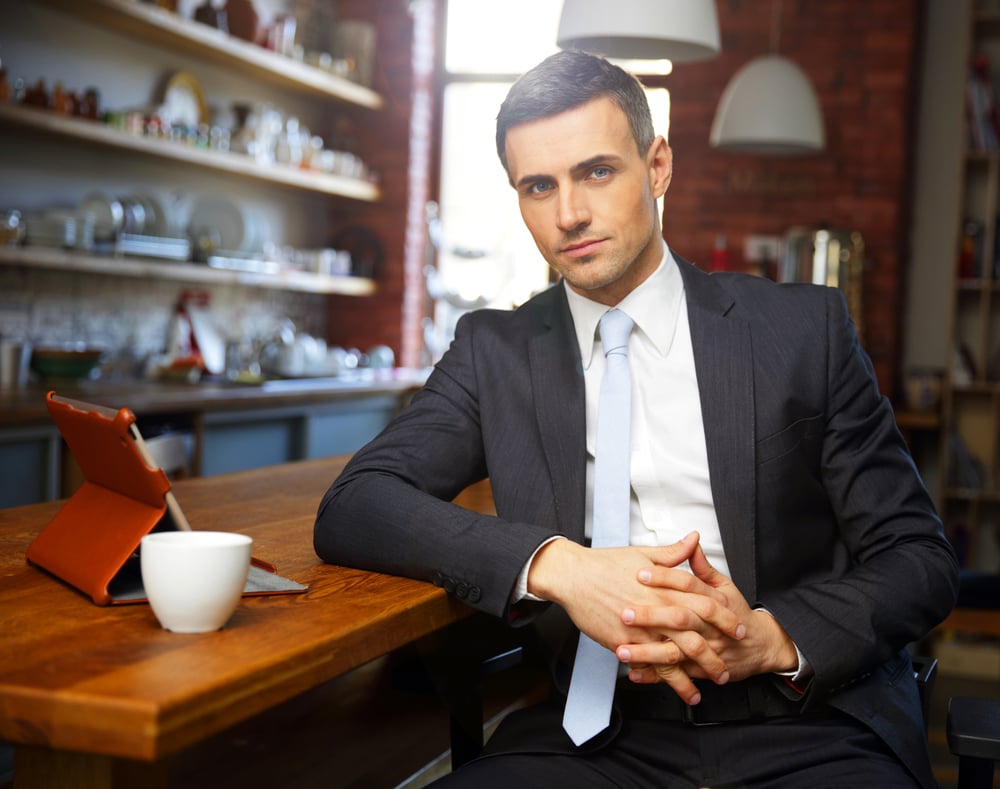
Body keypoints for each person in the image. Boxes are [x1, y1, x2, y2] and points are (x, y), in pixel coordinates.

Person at [314, 50, 959, 789]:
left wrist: (769, 638)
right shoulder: (494, 351)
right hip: (596, 738)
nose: (569, 215)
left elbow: (918, 558)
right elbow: (355, 505)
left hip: (806, 720)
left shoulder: (800, 331)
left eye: (596, 171)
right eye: (538, 186)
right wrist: (560, 567)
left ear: (657, 167)